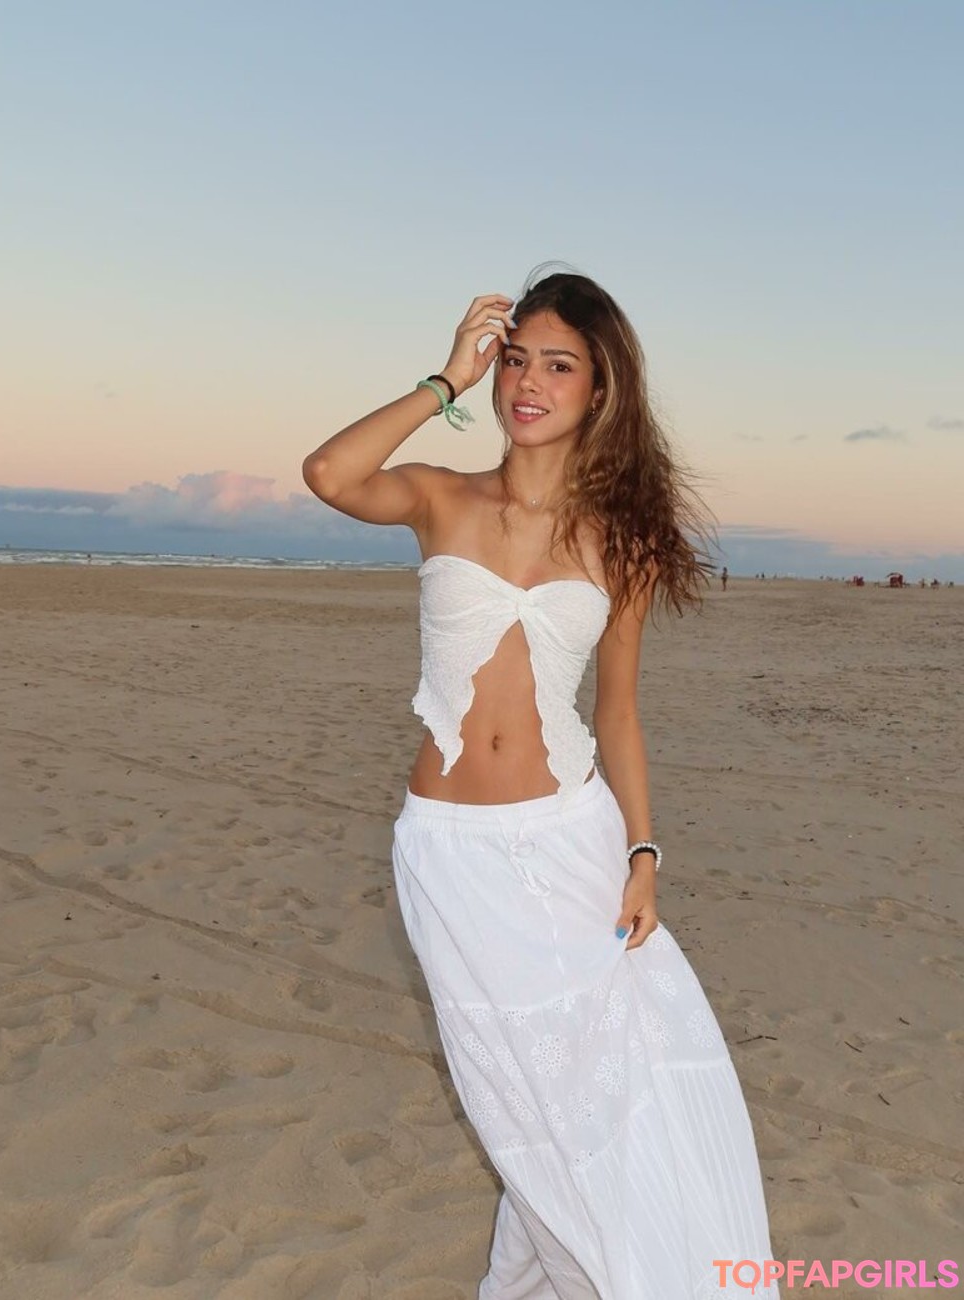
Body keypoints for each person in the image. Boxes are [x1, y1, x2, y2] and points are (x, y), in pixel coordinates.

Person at [302, 270, 777, 1298]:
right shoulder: (441, 497)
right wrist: (446, 379)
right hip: (449, 855)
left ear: (600, 390)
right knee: (513, 1090)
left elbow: (619, 715)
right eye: (517, 360)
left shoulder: (623, 543)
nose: (529, 383)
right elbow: (330, 471)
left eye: (559, 366)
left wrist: (643, 854)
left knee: (597, 1079)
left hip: (570, 841)